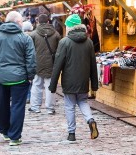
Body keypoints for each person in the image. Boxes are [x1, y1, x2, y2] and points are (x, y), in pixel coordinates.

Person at [0, 11, 36, 147]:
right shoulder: (25, 38)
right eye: (21, 21)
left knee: (3, 104)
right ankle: (15, 136)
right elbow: (31, 59)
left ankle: (4, 131)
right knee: (17, 106)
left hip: (1, 77)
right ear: (17, 22)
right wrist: (31, 75)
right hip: (20, 77)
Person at [49, 14, 100, 142]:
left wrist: (53, 84)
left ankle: (71, 133)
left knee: (70, 105)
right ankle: (90, 119)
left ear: (69, 27)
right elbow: (93, 64)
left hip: (69, 81)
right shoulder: (88, 42)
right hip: (83, 80)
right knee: (83, 101)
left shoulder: (64, 42)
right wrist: (94, 84)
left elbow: (58, 64)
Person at [29, 14, 61, 115]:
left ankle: (35, 107)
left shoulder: (33, 34)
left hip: (37, 63)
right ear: (48, 21)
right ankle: (50, 108)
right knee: (50, 86)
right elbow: (59, 51)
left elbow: (30, 51)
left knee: (36, 85)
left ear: (38, 22)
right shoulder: (56, 34)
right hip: (51, 64)